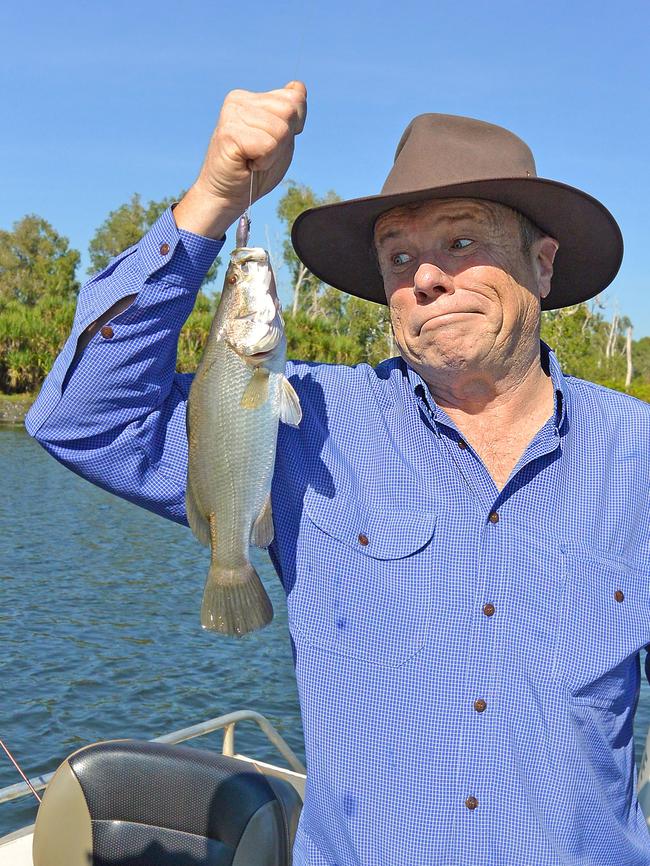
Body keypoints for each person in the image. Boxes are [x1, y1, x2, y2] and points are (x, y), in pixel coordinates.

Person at [26, 82, 650, 866]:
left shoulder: (638, 453)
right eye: (399, 256)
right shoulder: (306, 425)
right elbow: (83, 419)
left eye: (462, 243)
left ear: (544, 264)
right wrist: (214, 200)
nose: (425, 277)